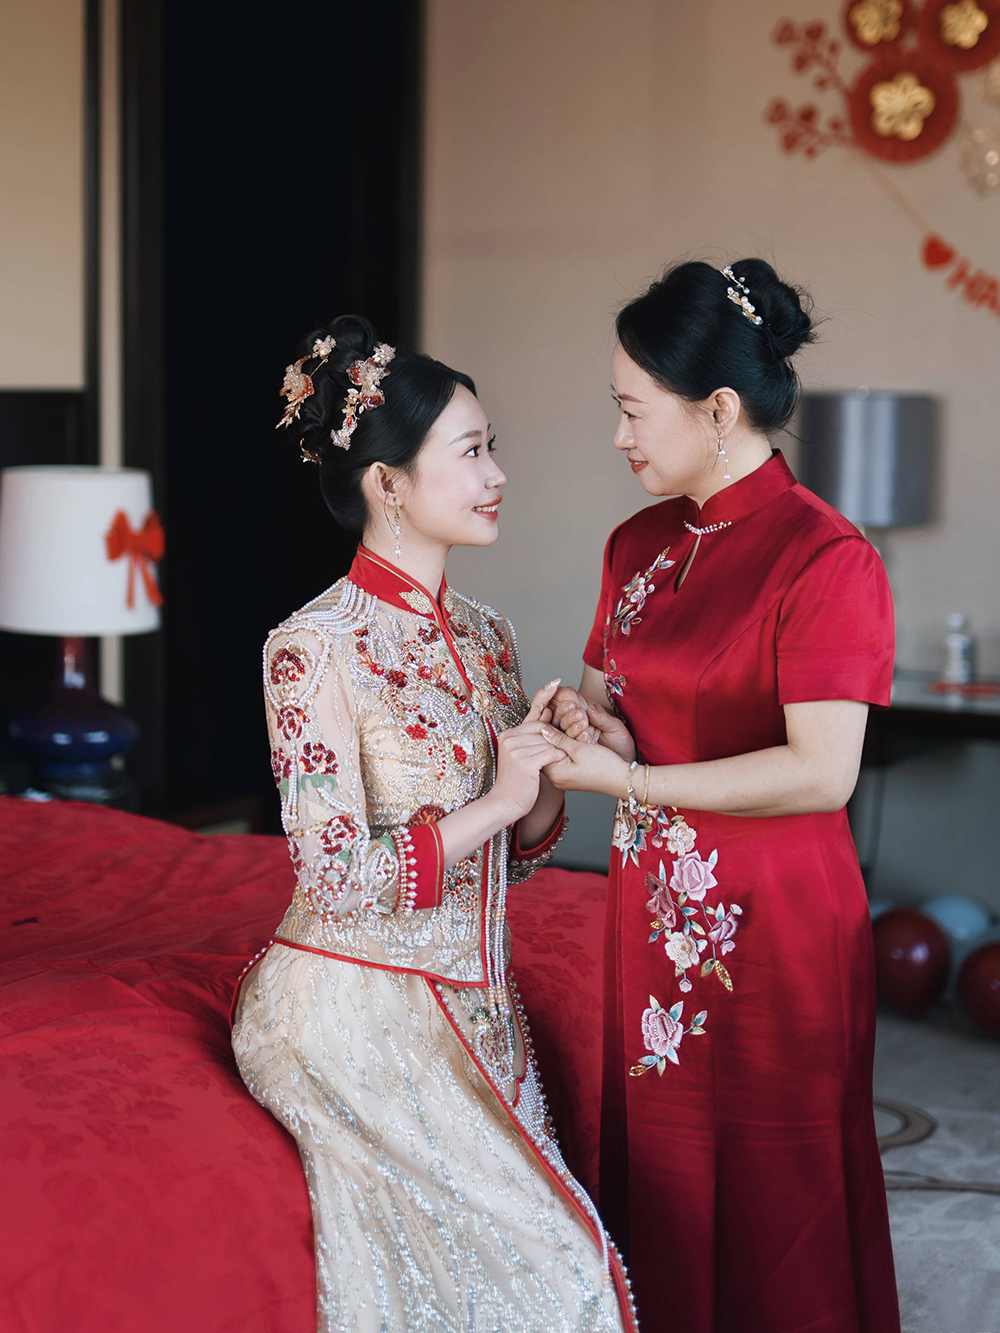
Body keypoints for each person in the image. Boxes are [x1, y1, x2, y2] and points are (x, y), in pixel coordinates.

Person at [231, 315, 635, 1333]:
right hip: (348, 1006)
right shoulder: (311, 647)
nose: (497, 474)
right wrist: (497, 796)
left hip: (477, 1003)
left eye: (493, 446)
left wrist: (548, 767)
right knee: (560, 1272)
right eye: (471, 452)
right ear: (389, 482)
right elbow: (334, 878)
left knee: (564, 1263)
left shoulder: (489, 634)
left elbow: (516, 858)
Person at [543, 260, 900, 1333]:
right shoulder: (637, 546)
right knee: (659, 1163)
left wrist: (631, 779)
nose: (618, 435)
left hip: (776, 920)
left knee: (776, 1179)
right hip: (654, 911)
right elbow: (619, 708)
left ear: (719, 408)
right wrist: (591, 730)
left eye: (633, 409)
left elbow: (822, 770)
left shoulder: (825, 555)